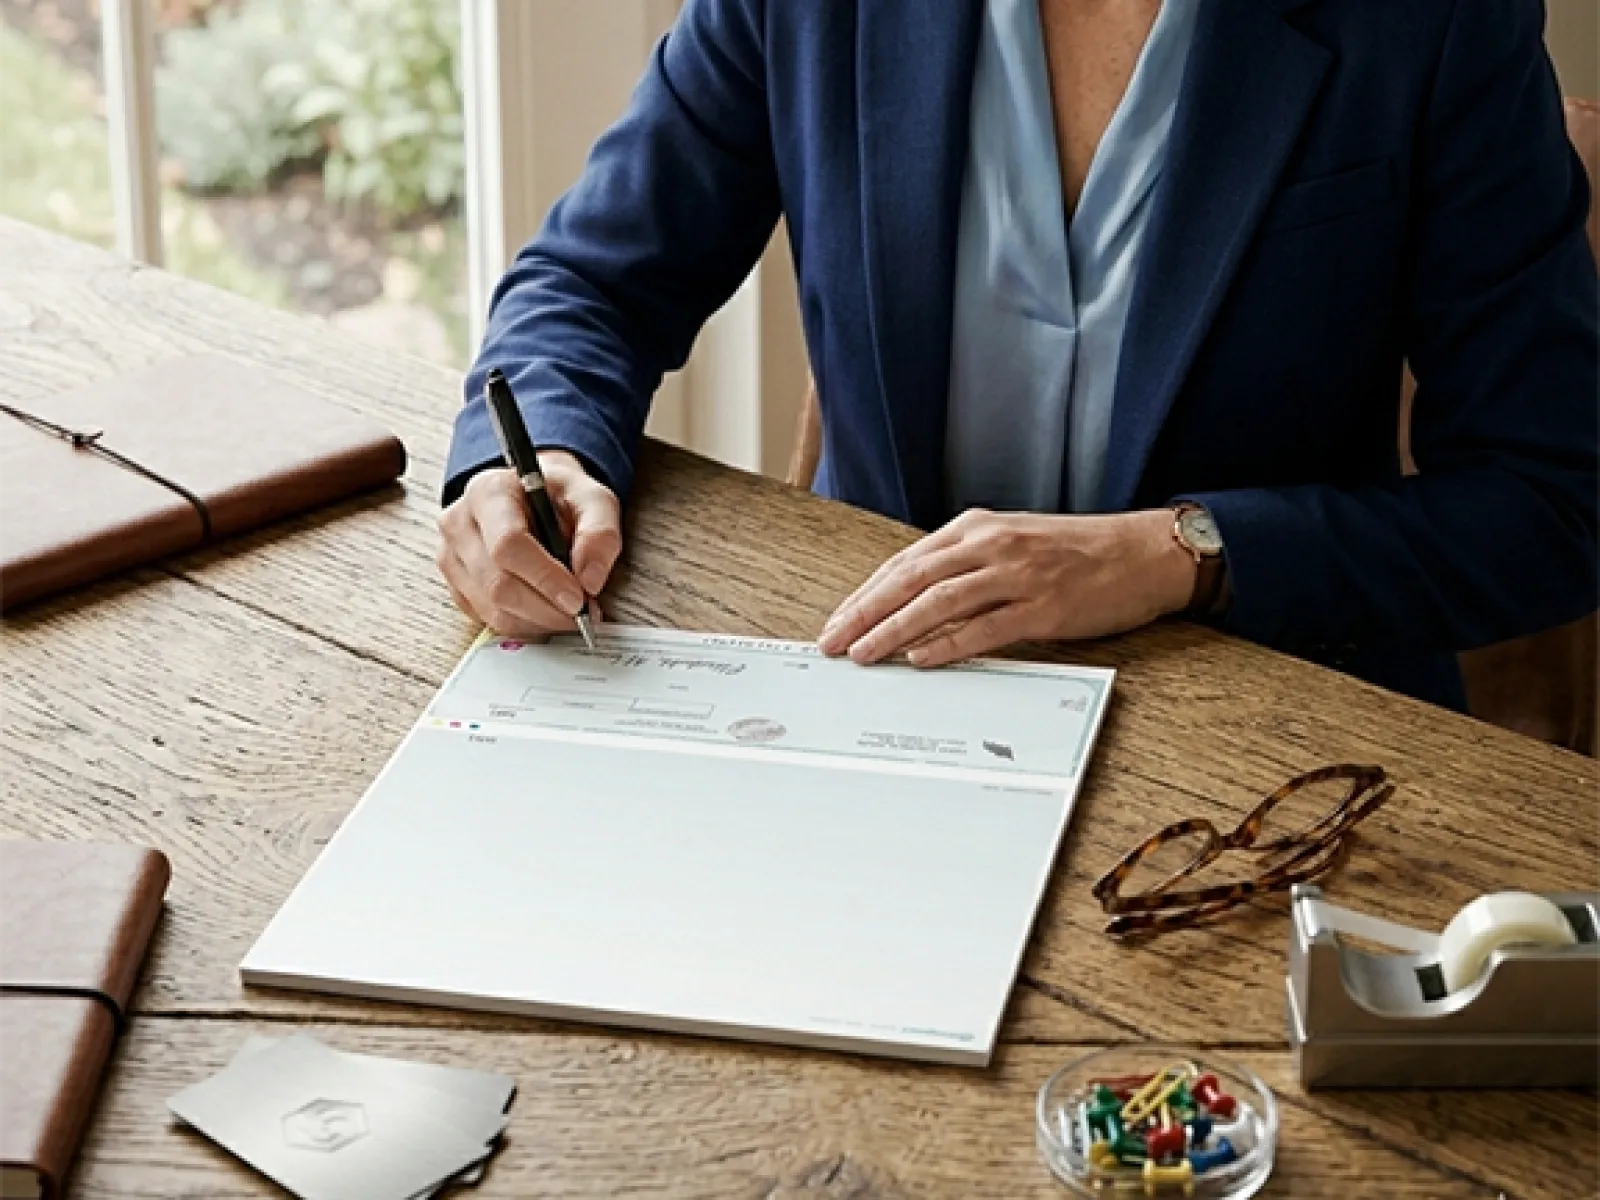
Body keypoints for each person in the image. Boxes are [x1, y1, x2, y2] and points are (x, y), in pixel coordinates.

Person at [437, 0, 1600, 712]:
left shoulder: (1437, 17)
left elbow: (1553, 502)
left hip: (1261, 725)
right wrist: (526, 462)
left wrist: (1180, 551)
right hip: (878, 686)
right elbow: (591, 281)